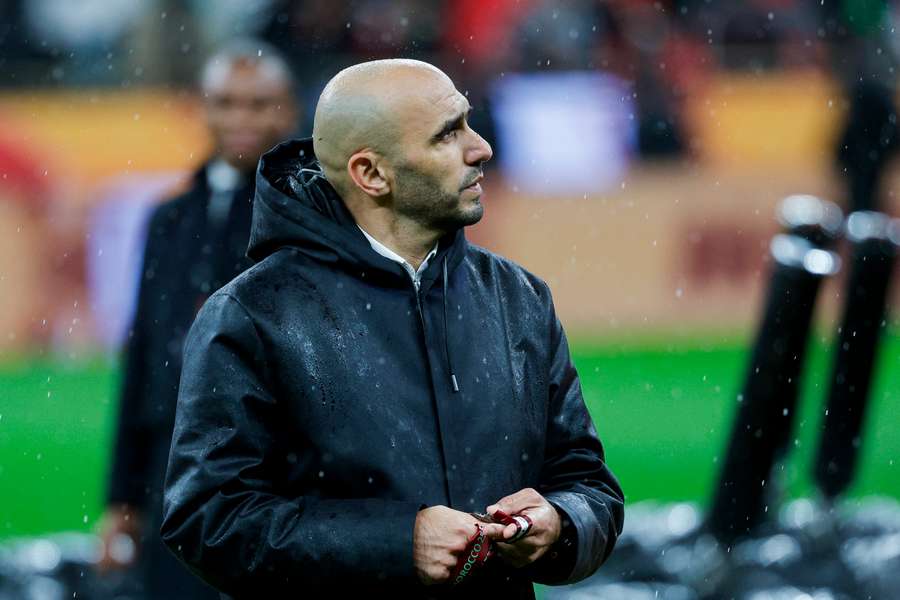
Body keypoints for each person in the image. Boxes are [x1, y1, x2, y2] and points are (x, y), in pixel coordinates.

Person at [161, 59, 623, 598]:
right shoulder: (253, 314)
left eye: (468, 122)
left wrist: (559, 523)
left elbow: (587, 483)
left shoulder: (519, 298)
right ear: (372, 174)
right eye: (447, 134)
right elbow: (209, 519)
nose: (481, 149)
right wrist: (397, 543)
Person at [98, 39, 299, 599]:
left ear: (287, 110)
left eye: (257, 104)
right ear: (201, 108)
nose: (241, 119)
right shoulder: (169, 218)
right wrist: (121, 496)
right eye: (226, 103)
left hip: (272, 468)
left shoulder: (306, 214)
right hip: (171, 469)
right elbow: (143, 355)